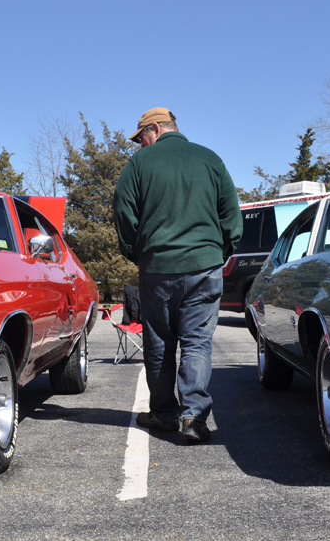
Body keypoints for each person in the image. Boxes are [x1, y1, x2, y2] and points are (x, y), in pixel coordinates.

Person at [113, 107, 242, 443]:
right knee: (197, 343)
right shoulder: (210, 159)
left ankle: (164, 413)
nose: (140, 145)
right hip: (205, 266)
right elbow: (231, 212)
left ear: (155, 128)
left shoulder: (140, 165)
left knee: (159, 344)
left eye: (141, 137)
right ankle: (193, 419)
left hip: (157, 268)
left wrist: (135, 251)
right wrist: (220, 251)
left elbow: (124, 211)